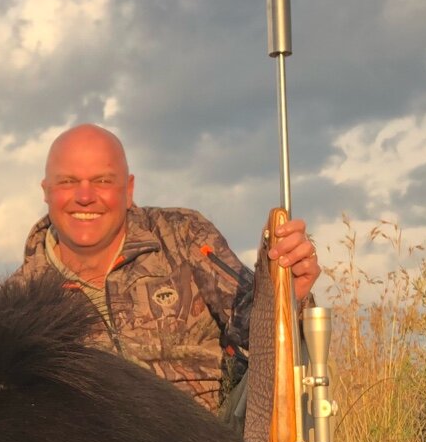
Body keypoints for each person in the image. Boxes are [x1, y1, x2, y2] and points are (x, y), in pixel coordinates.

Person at [16, 123, 320, 415]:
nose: (84, 197)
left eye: (102, 181)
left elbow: (253, 329)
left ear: (129, 188)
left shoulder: (184, 236)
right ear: (46, 190)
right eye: (68, 181)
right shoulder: (18, 302)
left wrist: (286, 293)